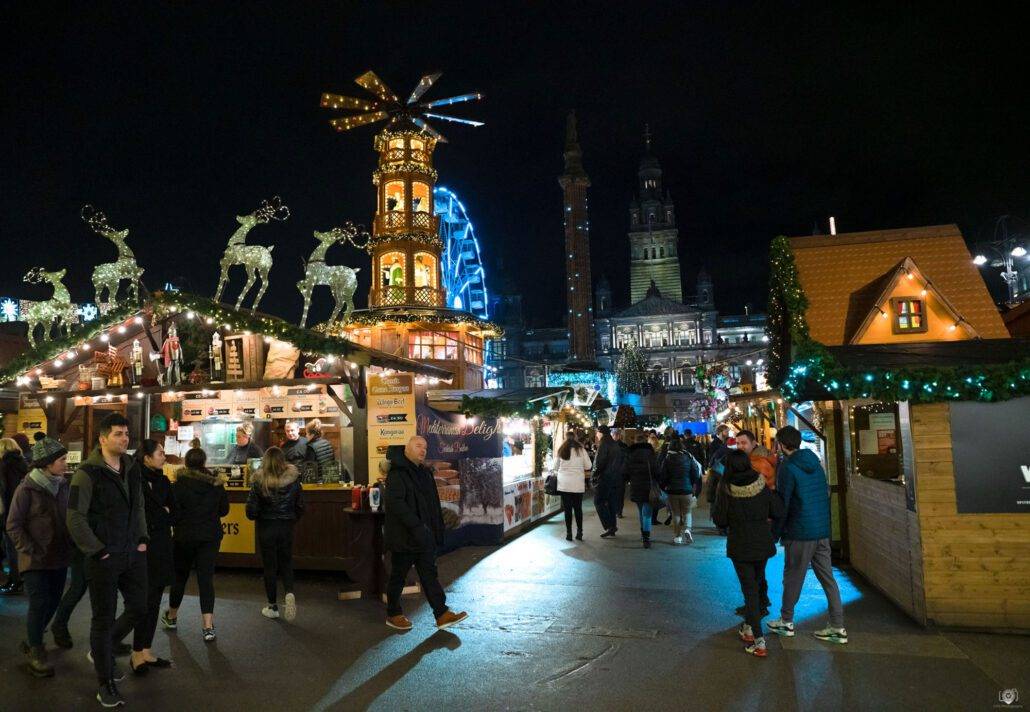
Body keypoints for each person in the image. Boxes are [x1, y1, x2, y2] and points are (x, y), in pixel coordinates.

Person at [66, 413, 149, 708]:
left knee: (140, 605)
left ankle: (102, 648)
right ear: (102, 439)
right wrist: (97, 549)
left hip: (131, 552)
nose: (124, 438)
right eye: (117, 434)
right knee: (103, 617)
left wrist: (142, 538)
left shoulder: (131, 467)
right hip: (103, 556)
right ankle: (105, 683)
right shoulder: (86, 474)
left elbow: (138, 504)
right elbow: (74, 518)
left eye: (126, 433)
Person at [765, 426, 848, 645]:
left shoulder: (788, 468)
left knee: (793, 576)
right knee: (828, 578)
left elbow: (784, 504)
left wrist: (775, 533)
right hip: (821, 530)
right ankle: (838, 626)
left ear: (781, 444)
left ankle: (786, 620)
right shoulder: (816, 463)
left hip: (800, 531)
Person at [383, 436, 467, 631]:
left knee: (429, 575)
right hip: (405, 536)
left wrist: (436, 528)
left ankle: (442, 613)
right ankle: (393, 614)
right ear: (407, 449)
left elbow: (432, 505)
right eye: (418, 446)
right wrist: (417, 526)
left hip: (424, 536)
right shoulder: (397, 473)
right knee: (398, 575)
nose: (423, 450)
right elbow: (396, 503)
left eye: (425, 447)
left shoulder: (424, 472)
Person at [6, 436, 71, 677]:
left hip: (59, 556)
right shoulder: (26, 489)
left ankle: (34, 639)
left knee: (53, 601)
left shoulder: (63, 485)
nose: (66, 463)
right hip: (34, 560)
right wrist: (31, 549)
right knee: (39, 602)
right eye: (62, 460)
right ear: (47, 463)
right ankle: (36, 650)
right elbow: (13, 525)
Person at [712, 450, 784, 658]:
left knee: (749, 590)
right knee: (757, 581)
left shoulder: (726, 488)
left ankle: (758, 639)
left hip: (740, 545)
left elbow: (720, 519)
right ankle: (749, 626)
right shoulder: (760, 484)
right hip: (762, 543)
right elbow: (777, 510)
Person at [111, 440, 175, 673]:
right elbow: (139, 513)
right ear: (146, 457)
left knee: (155, 599)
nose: (164, 457)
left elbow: (173, 511)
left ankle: (145, 649)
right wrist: (162, 513)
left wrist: (163, 513)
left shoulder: (164, 481)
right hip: (140, 548)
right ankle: (132, 652)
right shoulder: (133, 479)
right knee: (142, 601)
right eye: (160, 453)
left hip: (161, 548)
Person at [165, 448, 229, 643]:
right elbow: (224, 510)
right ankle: (207, 626)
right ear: (204, 462)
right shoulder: (216, 484)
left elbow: (173, 515)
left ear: (186, 463)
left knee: (180, 577)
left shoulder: (178, 486)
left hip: (184, 537)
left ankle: (172, 617)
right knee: (206, 580)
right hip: (209, 537)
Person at [246, 447, 304, 622]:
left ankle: (272, 606)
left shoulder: (258, 480)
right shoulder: (294, 480)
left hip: (266, 527)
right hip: (286, 526)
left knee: (270, 567)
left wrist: (258, 515)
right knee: (286, 562)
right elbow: (300, 506)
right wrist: (292, 518)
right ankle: (289, 593)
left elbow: (251, 511)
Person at [659, 438, 702, 544]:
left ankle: (678, 536)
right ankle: (687, 529)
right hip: (686, 489)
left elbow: (663, 475)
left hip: (672, 490)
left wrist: (664, 486)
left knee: (676, 513)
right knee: (687, 511)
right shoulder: (688, 457)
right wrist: (691, 484)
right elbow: (696, 473)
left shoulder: (667, 459)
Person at [1, 437, 29, 595]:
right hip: (22, 510)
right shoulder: (22, 464)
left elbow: (5, 491)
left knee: (11, 548)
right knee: (17, 546)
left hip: (9, 511)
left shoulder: (4, 465)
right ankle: (19, 578)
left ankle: (15, 580)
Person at [552, 434, 591, 541]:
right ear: (576, 438)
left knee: (567, 510)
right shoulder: (581, 450)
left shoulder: (561, 450)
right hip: (577, 484)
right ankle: (579, 532)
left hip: (564, 484)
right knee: (578, 508)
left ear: (565, 438)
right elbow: (589, 466)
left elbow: (555, 467)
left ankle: (569, 533)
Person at [591, 426, 626, 537]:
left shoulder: (604, 444)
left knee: (598, 501)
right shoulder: (614, 444)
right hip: (615, 478)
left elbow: (599, 463)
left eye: (597, 432)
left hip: (604, 478)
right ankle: (612, 526)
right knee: (611, 503)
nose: (596, 435)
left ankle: (610, 525)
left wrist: (594, 476)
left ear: (601, 433)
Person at [625, 432, 659, 549]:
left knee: (641, 511)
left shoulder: (630, 453)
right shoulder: (651, 454)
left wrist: (628, 479)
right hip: (648, 486)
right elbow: (656, 470)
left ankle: (643, 533)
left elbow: (626, 470)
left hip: (636, 485)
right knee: (647, 513)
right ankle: (646, 537)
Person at [706, 424, 731, 533]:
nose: (728, 433)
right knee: (716, 498)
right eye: (726, 431)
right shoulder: (715, 444)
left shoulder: (724, 443)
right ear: (721, 431)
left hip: (721, 473)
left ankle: (720, 522)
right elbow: (713, 458)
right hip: (717, 473)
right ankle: (717, 521)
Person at [612, 429, 629, 518]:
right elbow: (627, 461)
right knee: (620, 494)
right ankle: (619, 511)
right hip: (621, 475)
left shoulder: (609, 446)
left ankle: (615, 510)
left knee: (612, 493)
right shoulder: (625, 446)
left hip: (611, 474)